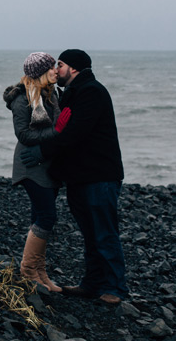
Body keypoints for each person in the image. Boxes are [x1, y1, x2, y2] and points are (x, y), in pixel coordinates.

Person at [21, 49, 128, 305]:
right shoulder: (72, 93)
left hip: (100, 176)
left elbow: (75, 133)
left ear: (75, 68)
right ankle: (92, 284)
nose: (56, 69)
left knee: (104, 232)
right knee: (90, 233)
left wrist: (41, 153)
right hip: (81, 176)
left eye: (61, 64)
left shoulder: (91, 91)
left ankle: (114, 288)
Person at [3, 52, 69, 292]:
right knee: (47, 217)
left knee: (40, 217)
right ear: (40, 73)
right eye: (51, 67)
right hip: (30, 165)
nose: (55, 71)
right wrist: (57, 131)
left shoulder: (51, 96)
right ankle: (28, 270)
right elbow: (23, 134)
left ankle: (40, 273)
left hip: (48, 165)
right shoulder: (23, 99)